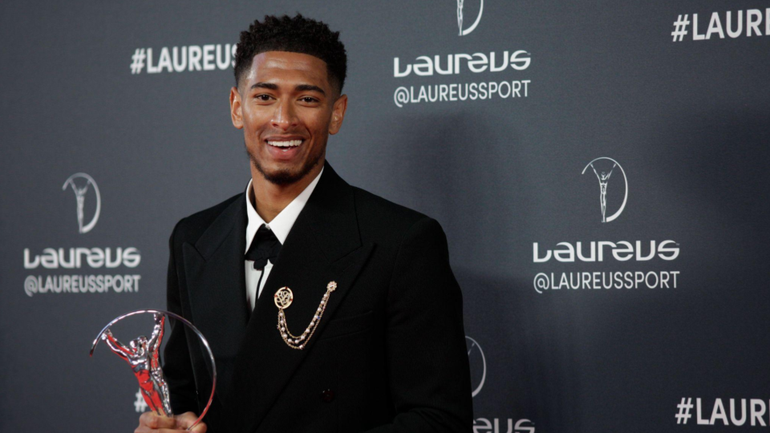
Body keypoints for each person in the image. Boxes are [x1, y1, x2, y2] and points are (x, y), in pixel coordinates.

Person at [136, 14, 472, 433]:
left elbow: (439, 421)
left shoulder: (401, 242)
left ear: (336, 113)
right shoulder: (193, 239)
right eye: (264, 97)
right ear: (237, 108)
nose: (284, 119)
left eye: (308, 99)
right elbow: (187, 396)